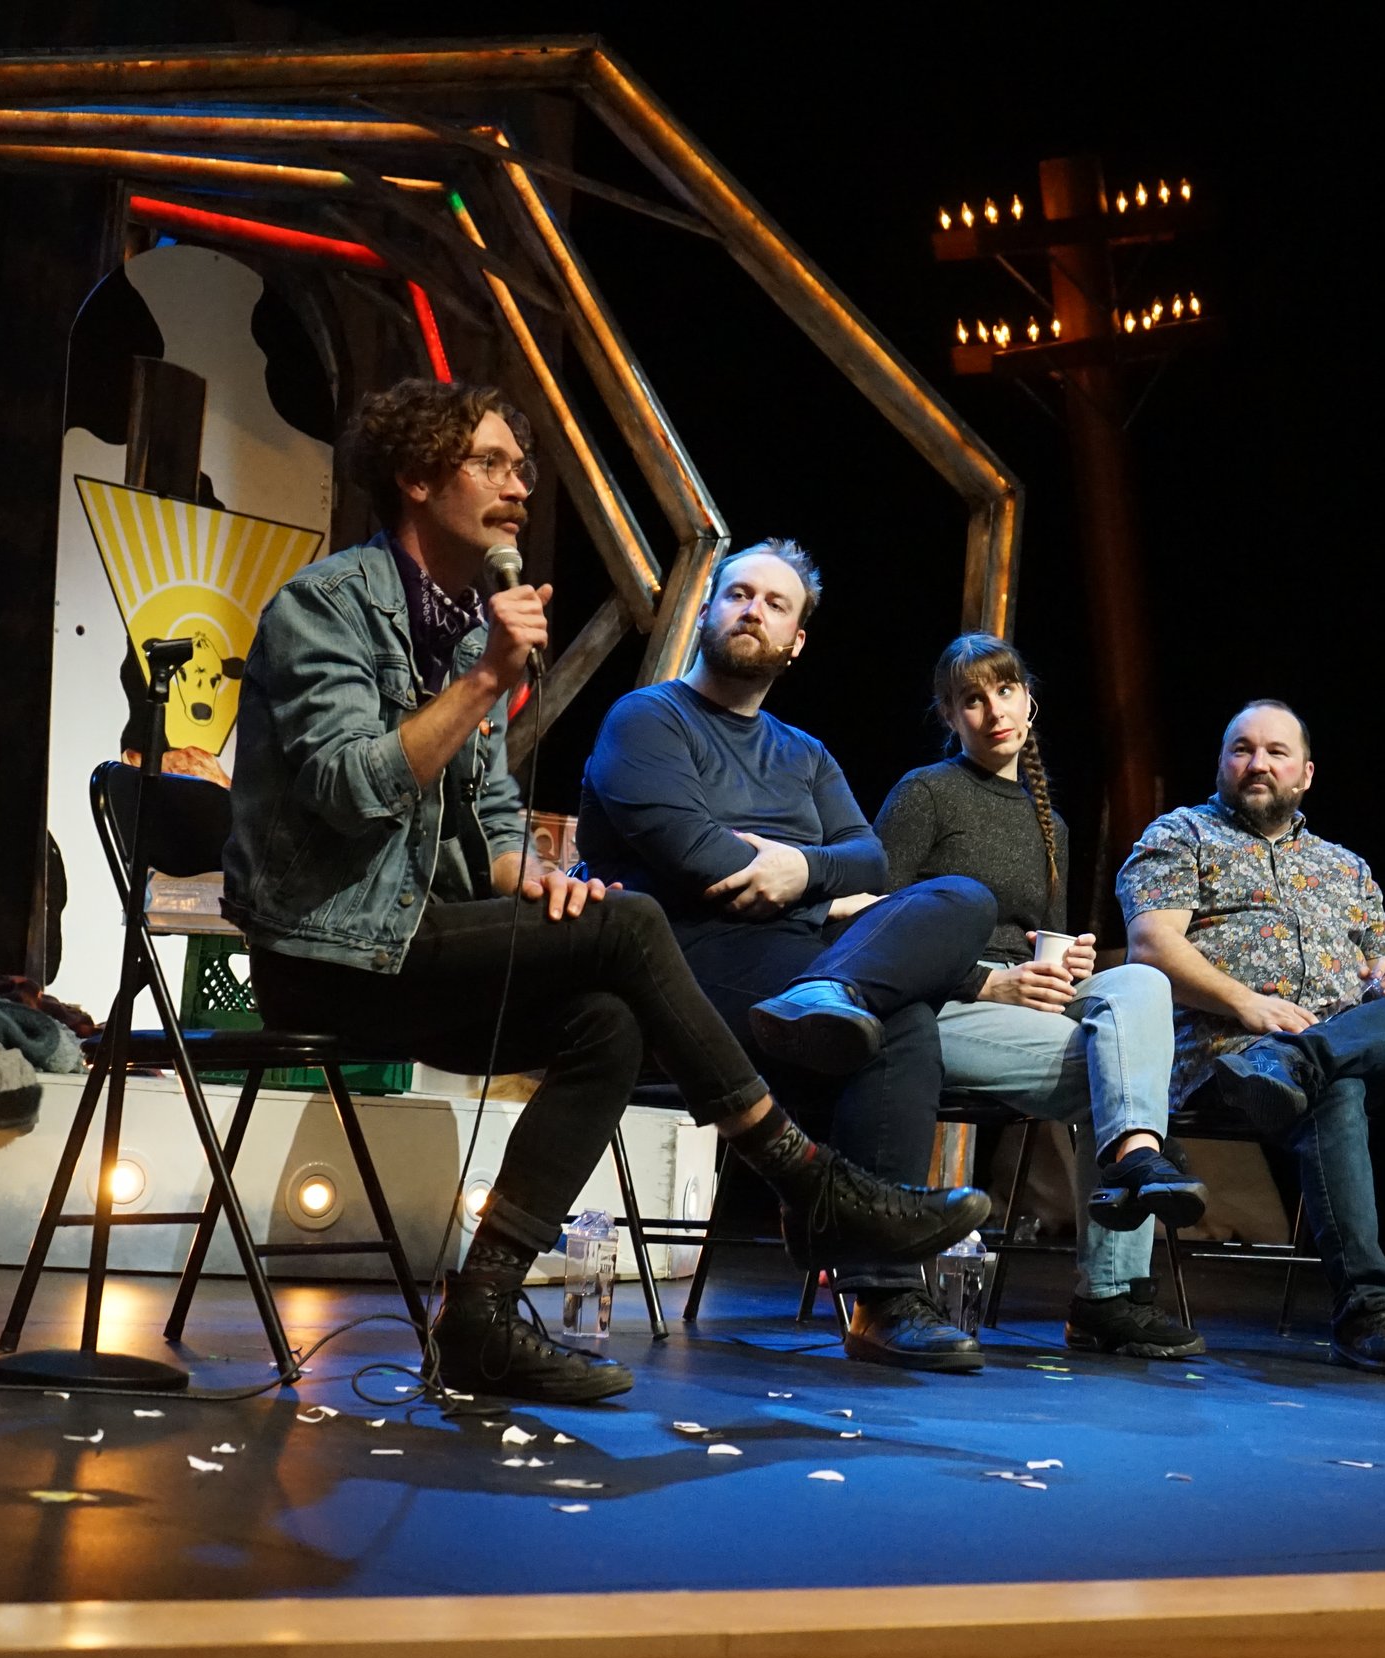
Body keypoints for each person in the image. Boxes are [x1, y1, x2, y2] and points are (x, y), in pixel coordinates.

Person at [223, 380, 987, 1405]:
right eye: (491, 464)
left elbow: (489, 817)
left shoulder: (465, 634)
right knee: (629, 919)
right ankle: (807, 1180)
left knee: (607, 1019)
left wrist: (532, 878)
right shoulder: (327, 606)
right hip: (329, 952)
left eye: (521, 468)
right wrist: (487, 682)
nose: (519, 488)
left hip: (421, 938)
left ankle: (480, 1313)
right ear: (416, 477)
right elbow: (346, 787)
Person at [575, 541, 1005, 1373]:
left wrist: (797, 871)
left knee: (961, 898)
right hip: (680, 965)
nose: (753, 610)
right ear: (707, 612)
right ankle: (883, 1294)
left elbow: (870, 860)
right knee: (902, 1018)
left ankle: (830, 998)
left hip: (797, 966)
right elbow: (694, 854)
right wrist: (814, 882)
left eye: (776, 604)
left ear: (797, 640)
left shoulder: (804, 753)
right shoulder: (648, 719)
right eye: (738, 593)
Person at [856, 634, 1207, 1359]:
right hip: (936, 1008)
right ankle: (1111, 1295)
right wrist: (988, 981)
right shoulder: (925, 793)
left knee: (1141, 981)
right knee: (1117, 1074)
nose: (994, 712)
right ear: (949, 715)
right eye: (972, 699)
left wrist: (1068, 964)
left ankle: (1136, 1156)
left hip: (1022, 1008)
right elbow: (874, 928)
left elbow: (1039, 942)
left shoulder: (1051, 823)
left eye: (1005, 691)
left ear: (1029, 700)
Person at [1119, 700, 1385, 1375]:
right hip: (1226, 1060)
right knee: (1336, 1090)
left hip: (1325, 1045)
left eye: (1276, 752)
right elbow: (1151, 946)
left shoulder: (1346, 867)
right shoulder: (1182, 834)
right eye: (1242, 749)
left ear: (1305, 774)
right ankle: (1367, 1311)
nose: (1258, 763)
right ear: (1222, 764)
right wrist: (1248, 1004)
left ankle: (1300, 1060)